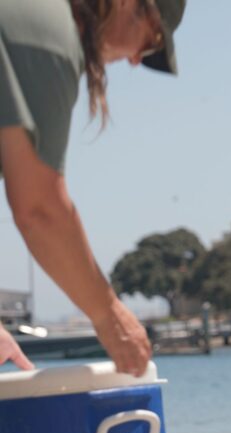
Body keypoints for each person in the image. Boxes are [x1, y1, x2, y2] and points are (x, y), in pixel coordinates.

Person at [0, 0, 186, 375]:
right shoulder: (47, 35)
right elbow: (40, 209)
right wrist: (108, 314)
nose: (135, 60)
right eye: (149, 43)